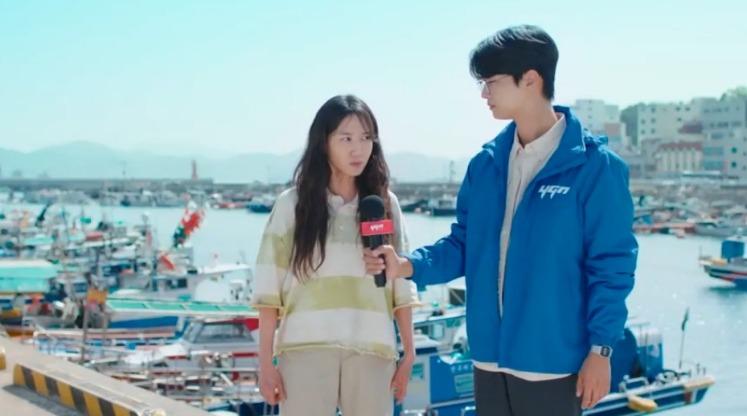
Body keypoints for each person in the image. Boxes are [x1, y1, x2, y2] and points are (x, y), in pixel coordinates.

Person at [364, 25, 638, 415]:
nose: (484, 93)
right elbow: (463, 244)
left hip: (554, 365)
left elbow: (612, 267)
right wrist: (407, 265)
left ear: (530, 80)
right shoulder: (485, 164)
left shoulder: (596, 169)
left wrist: (601, 350)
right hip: (489, 362)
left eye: (491, 82)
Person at [251, 94, 420, 416]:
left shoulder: (384, 204)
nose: (358, 149)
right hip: (305, 348)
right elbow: (268, 289)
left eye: (366, 138)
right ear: (323, 142)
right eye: (346, 139)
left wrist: (409, 353)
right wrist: (265, 364)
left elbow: (402, 285)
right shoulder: (292, 205)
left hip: (373, 349)